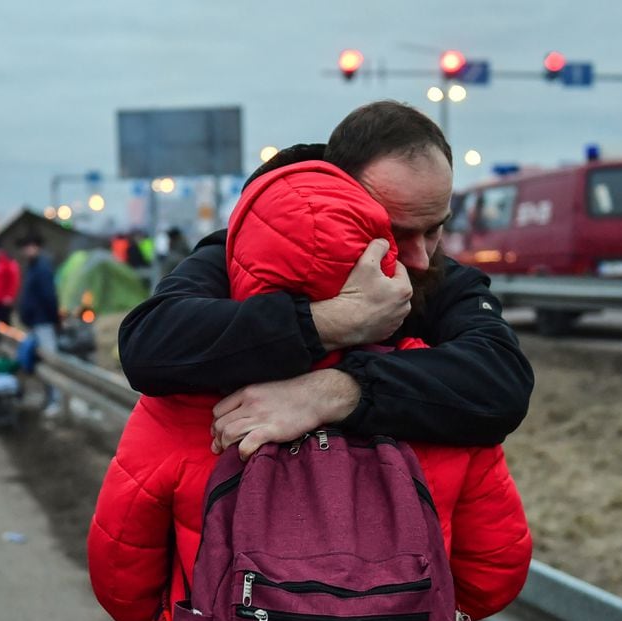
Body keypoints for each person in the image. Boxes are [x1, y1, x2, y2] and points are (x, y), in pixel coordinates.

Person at [89, 156, 533, 621]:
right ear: (371, 237)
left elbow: (120, 577)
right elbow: (494, 574)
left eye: (432, 231)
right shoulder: (441, 392)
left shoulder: (180, 397)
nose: (420, 255)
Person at [118, 101, 534, 461]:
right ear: (336, 197)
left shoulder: (439, 276)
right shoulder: (241, 252)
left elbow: (502, 383)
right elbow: (148, 345)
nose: (420, 258)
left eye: (434, 229)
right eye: (397, 232)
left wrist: (336, 392)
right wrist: (328, 323)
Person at [16, 234, 62, 415]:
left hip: (43, 322)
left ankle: (56, 401)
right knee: (40, 360)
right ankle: (49, 397)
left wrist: (54, 319)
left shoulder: (42, 268)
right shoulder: (33, 267)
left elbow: (48, 296)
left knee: (50, 360)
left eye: (30, 246)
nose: (27, 250)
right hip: (35, 322)